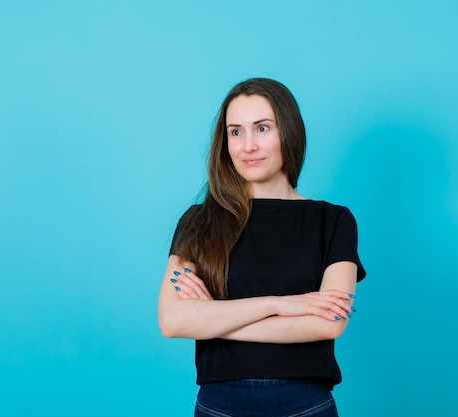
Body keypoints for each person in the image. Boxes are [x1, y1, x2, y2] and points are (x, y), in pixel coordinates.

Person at [157, 78, 366, 417]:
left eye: (262, 128)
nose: (248, 145)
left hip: (306, 405)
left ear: (289, 132)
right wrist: (283, 304)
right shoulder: (199, 221)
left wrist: (215, 318)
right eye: (235, 132)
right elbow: (172, 320)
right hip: (219, 406)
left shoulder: (333, 220)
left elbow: (330, 323)